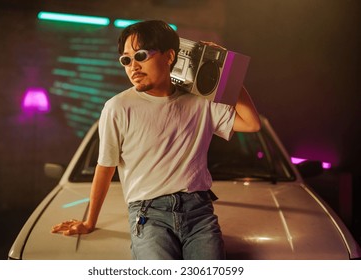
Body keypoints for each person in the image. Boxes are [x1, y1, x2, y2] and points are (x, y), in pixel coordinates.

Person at [52, 19, 261, 259]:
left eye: (141, 55)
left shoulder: (200, 102)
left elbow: (252, 123)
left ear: (169, 56)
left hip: (199, 212)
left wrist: (228, 71)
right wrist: (89, 222)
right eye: (126, 60)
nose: (133, 67)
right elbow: (106, 166)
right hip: (148, 214)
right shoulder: (117, 107)